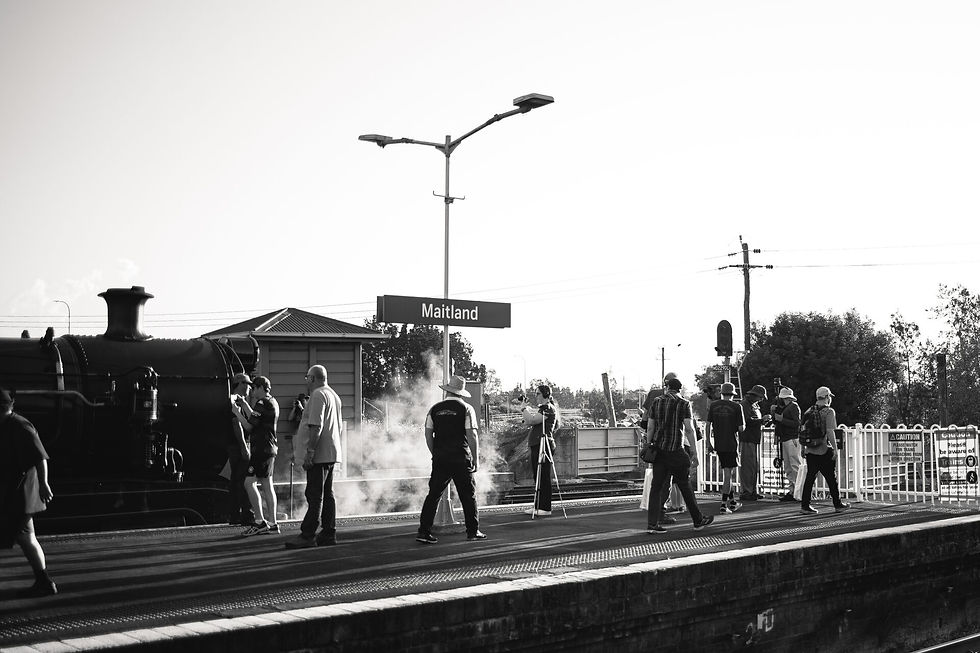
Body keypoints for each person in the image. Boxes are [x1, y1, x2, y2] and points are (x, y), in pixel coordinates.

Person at [0, 388, 57, 597]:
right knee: (27, 538)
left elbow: (39, 457)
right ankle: (44, 581)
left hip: (21, 493)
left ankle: (45, 581)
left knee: (26, 538)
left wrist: (44, 484)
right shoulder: (7, 424)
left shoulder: (20, 425)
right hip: (15, 493)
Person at [417, 375, 486, 543]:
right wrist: (475, 459)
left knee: (433, 495)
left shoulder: (434, 409)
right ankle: (472, 531)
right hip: (461, 458)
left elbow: (427, 434)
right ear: (461, 393)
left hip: (440, 458)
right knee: (468, 495)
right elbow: (472, 435)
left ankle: (424, 532)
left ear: (447, 390)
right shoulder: (467, 409)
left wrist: (436, 452)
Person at [644, 377, 713, 534]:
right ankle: (698, 520)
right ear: (680, 389)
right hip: (676, 450)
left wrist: (650, 445)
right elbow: (689, 429)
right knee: (684, 485)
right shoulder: (684, 403)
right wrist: (694, 452)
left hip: (659, 450)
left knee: (656, 486)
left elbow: (650, 426)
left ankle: (652, 524)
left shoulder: (656, 401)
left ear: (666, 387)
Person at [285, 365, 344, 548]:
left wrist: (310, 452)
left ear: (312, 378)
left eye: (307, 378)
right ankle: (328, 532)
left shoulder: (318, 395)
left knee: (314, 494)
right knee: (327, 494)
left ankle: (308, 534)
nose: (306, 382)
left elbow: (315, 426)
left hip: (319, 453)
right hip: (331, 452)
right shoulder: (334, 395)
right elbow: (339, 427)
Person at [236, 376, 280, 536]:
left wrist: (236, 412)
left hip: (260, 450)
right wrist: (245, 405)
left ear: (261, 387)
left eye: (254, 388)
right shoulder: (272, 402)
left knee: (248, 483)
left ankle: (259, 521)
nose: (252, 391)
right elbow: (255, 417)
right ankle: (273, 523)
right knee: (268, 485)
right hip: (270, 449)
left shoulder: (262, 404)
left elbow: (249, 426)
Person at [800, 386, 850, 514]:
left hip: (810, 450)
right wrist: (835, 448)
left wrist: (803, 448)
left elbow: (802, 431)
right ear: (827, 397)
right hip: (823, 449)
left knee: (810, 477)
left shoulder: (809, 411)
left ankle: (805, 505)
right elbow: (830, 431)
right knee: (831, 478)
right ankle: (838, 504)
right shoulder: (829, 412)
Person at [520, 384, 560, 517]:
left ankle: (545, 507)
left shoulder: (548, 408)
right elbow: (529, 420)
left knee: (543, 476)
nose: (535, 396)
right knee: (537, 476)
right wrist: (527, 409)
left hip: (544, 445)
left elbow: (531, 420)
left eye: (537, 394)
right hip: (537, 445)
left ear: (545, 395)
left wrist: (523, 408)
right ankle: (537, 506)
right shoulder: (542, 409)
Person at [705, 382, 745, 514]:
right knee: (728, 474)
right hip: (731, 443)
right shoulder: (737, 406)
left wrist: (708, 442)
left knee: (727, 471)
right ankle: (723, 504)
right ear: (733, 394)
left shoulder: (714, 405)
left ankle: (732, 502)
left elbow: (708, 425)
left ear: (722, 393)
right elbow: (741, 428)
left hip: (719, 443)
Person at [226, 373, 255, 526]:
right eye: (248, 384)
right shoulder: (234, 401)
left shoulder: (238, 401)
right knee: (244, 481)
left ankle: (235, 515)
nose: (250, 387)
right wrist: (244, 447)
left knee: (237, 481)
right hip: (239, 447)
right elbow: (236, 424)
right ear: (241, 384)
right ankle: (247, 515)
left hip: (236, 446)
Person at [772, 386, 802, 502]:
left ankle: (796, 491)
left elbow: (797, 423)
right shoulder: (790, 406)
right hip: (788, 438)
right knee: (789, 466)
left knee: (793, 465)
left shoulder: (793, 407)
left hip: (791, 438)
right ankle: (793, 490)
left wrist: (781, 419)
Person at [739, 385, 767, 501]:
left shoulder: (753, 405)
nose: (761, 400)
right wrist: (762, 420)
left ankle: (752, 490)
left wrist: (762, 421)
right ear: (755, 395)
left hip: (753, 438)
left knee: (753, 466)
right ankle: (747, 491)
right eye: (760, 397)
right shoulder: (745, 405)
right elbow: (746, 421)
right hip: (747, 438)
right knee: (748, 466)